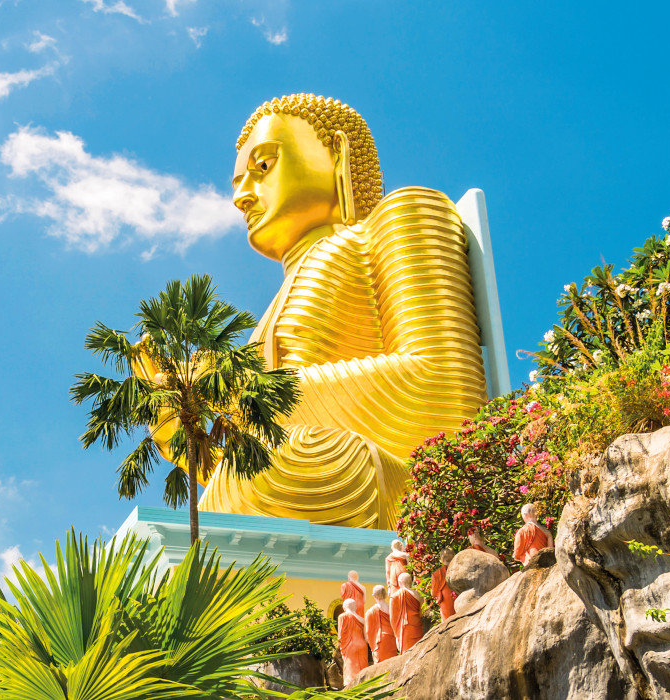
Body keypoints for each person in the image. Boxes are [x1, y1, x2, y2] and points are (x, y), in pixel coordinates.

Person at [194, 94, 490, 529]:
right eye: (237, 183)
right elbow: (253, 446)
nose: (242, 196)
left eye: (262, 167)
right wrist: (184, 427)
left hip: (392, 482)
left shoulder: (397, 219)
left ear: (337, 151)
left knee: (283, 462)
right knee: (256, 470)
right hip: (290, 478)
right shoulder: (269, 311)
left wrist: (244, 391)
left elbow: (447, 388)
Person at [337, 598, 371, 681]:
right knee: (363, 669)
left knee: (350, 671)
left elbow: (341, 635)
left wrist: (340, 647)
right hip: (362, 645)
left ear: (344, 607)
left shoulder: (342, 616)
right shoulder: (363, 620)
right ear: (355, 607)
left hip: (350, 646)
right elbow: (366, 636)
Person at [391, 572, 426, 651]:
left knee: (406, 652)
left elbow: (393, 618)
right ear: (411, 582)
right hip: (417, 625)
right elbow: (421, 613)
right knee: (417, 651)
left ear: (399, 583)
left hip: (404, 627)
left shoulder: (394, 596)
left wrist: (396, 634)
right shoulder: (419, 595)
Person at [366, 585, 399, 663]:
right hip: (392, 636)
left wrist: (371, 644)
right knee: (392, 662)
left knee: (380, 665)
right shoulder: (392, 607)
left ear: (374, 596)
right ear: (385, 594)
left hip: (379, 639)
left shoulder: (370, 611)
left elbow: (368, 631)